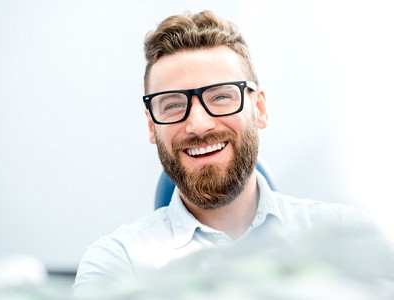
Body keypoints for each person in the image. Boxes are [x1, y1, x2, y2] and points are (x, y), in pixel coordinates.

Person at [73, 10, 392, 297]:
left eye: (222, 96)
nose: (198, 124)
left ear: (260, 109)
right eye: (172, 105)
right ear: (151, 126)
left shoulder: (349, 238)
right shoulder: (116, 265)